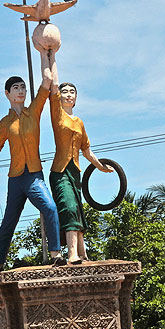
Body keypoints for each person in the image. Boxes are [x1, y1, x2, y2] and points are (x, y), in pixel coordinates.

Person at [0, 49, 65, 274]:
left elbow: (47, 81)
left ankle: (56, 254)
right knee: (8, 223)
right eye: (16, 88)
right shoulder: (5, 123)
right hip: (15, 179)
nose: (21, 91)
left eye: (23, 87)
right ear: (7, 94)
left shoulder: (34, 111)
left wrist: (44, 51)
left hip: (34, 176)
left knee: (50, 207)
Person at [48, 51, 113, 264]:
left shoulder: (79, 122)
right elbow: (53, 86)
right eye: (65, 92)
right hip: (59, 171)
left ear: (76, 98)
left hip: (75, 171)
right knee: (68, 206)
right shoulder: (57, 114)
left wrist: (100, 167)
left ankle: (82, 253)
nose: (68, 94)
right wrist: (50, 55)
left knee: (78, 209)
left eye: (72, 92)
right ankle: (71, 254)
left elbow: (87, 150)